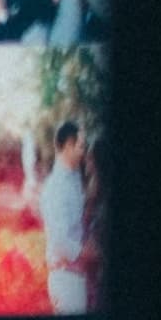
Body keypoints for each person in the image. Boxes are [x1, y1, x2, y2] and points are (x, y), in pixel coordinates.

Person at [37, 118, 96, 310]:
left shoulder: (75, 178)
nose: (83, 151)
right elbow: (60, 241)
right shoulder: (56, 187)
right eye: (80, 146)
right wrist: (90, 254)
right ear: (68, 146)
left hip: (77, 274)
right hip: (66, 277)